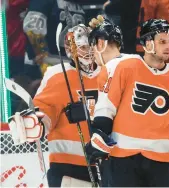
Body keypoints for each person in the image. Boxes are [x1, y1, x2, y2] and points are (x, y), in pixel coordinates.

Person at [86, 18, 169, 187]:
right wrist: (99, 132)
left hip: (161, 159)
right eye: (162, 41)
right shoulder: (125, 66)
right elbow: (107, 106)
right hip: (124, 158)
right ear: (148, 43)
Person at [8, 24, 101, 187]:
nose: (89, 51)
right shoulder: (58, 75)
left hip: (108, 165)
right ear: (69, 49)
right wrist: (37, 122)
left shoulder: (111, 72)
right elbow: (46, 106)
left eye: (92, 45)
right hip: (68, 166)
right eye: (83, 46)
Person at [23, 0, 86, 74]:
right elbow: (33, 29)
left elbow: (33, 28)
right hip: (52, 62)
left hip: (64, 62)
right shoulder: (78, 5)